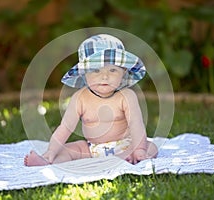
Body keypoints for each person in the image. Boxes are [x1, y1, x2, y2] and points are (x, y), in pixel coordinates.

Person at [24, 34, 158, 166]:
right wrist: (51, 151)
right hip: (92, 148)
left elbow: (136, 124)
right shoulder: (80, 98)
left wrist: (139, 149)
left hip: (125, 144)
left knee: (150, 146)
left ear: (123, 72)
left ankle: (132, 156)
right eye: (95, 71)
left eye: (112, 70)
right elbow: (65, 127)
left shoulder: (127, 96)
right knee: (68, 150)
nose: (104, 76)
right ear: (84, 73)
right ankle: (48, 160)